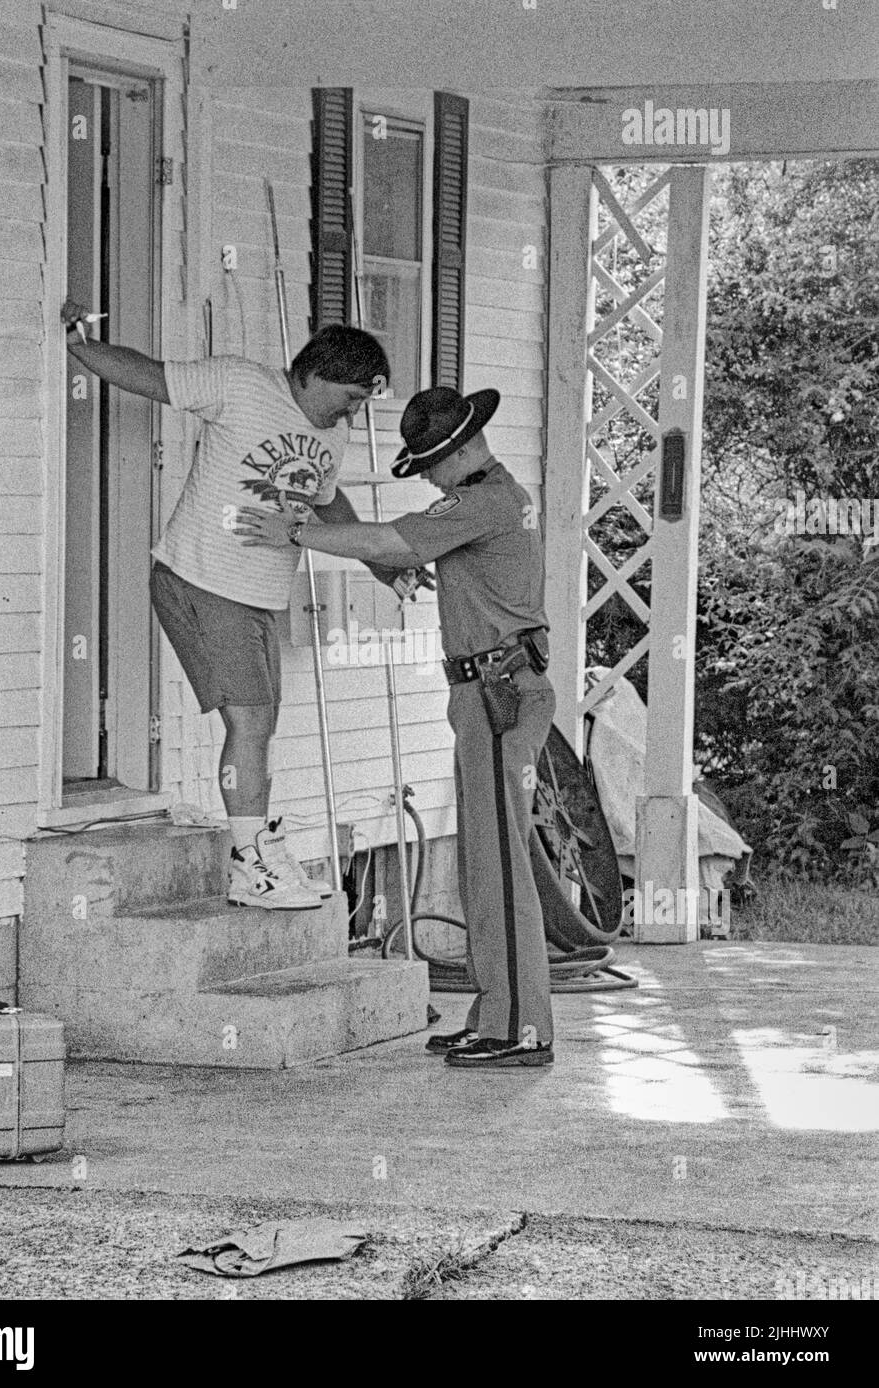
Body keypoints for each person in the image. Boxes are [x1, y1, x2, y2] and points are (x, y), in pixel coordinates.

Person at [62, 300, 423, 910]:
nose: (353, 410)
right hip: (204, 580)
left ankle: (255, 848)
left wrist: (384, 566)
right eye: (350, 394)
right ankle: (249, 863)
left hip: (258, 597)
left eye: (363, 400)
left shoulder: (329, 434)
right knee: (251, 724)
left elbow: (329, 505)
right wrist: (77, 345)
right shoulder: (239, 383)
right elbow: (151, 375)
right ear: (312, 373)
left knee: (261, 726)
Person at [237, 386, 556, 1068]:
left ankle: (522, 1031)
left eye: (433, 462)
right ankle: (496, 1015)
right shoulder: (484, 500)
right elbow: (424, 553)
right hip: (483, 692)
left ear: (459, 451)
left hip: (501, 692)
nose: (430, 476)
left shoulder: (483, 502)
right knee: (484, 863)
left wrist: (294, 532)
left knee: (501, 870)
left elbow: (388, 539)